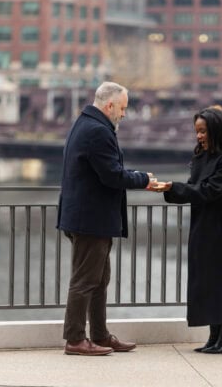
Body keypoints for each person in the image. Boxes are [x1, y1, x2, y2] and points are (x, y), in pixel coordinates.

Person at [57, 81, 158, 356]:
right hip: (90, 219)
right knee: (85, 281)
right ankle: (75, 339)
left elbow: (107, 169)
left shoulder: (85, 124)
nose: (124, 114)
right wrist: (144, 180)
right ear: (110, 105)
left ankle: (100, 335)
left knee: (99, 280)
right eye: (123, 108)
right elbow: (112, 175)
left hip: (86, 216)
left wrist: (135, 175)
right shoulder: (97, 131)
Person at [154, 107, 222, 354]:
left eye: (203, 131)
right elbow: (195, 188)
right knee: (208, 278)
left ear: (216, 130)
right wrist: (169, 189)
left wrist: (172, 187)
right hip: (207, 225)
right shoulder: (202, 156)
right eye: (197, 131)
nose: (198, 136)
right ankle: (215, 336)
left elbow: (209, 191)